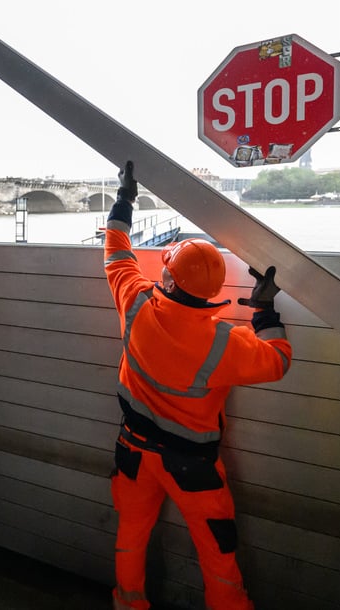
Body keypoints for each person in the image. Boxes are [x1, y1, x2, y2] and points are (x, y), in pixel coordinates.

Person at [104, 161, 292, 610]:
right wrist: (265, 311)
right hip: (193, 469)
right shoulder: (226, 342)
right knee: (218, 555)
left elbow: (115, 252)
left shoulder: (135, 302)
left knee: (131, 535)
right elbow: (278, 361)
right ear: (211, 292)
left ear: (167, 278)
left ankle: (128, 603)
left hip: (133, 452)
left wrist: (125, 199)